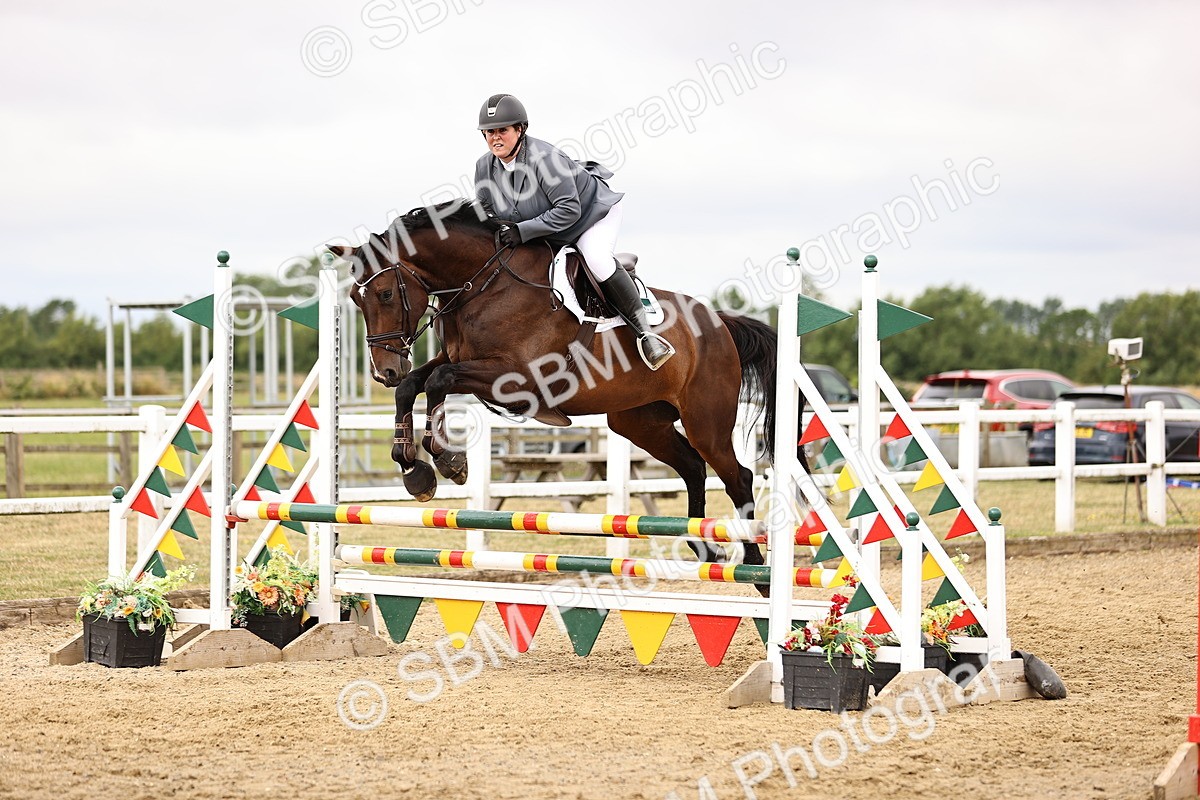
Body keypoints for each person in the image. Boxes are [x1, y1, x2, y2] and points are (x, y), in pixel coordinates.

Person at [472, 93, 674, 370]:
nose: (495, 138)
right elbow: (486, 213)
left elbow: (569, 210)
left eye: (502, 130)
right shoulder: (484, 167)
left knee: (595, 258)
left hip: (591, 214)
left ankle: (646, 335)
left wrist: (522, 231)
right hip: (543, 226)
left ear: (520, 129)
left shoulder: (546, 159)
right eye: (489, 132)